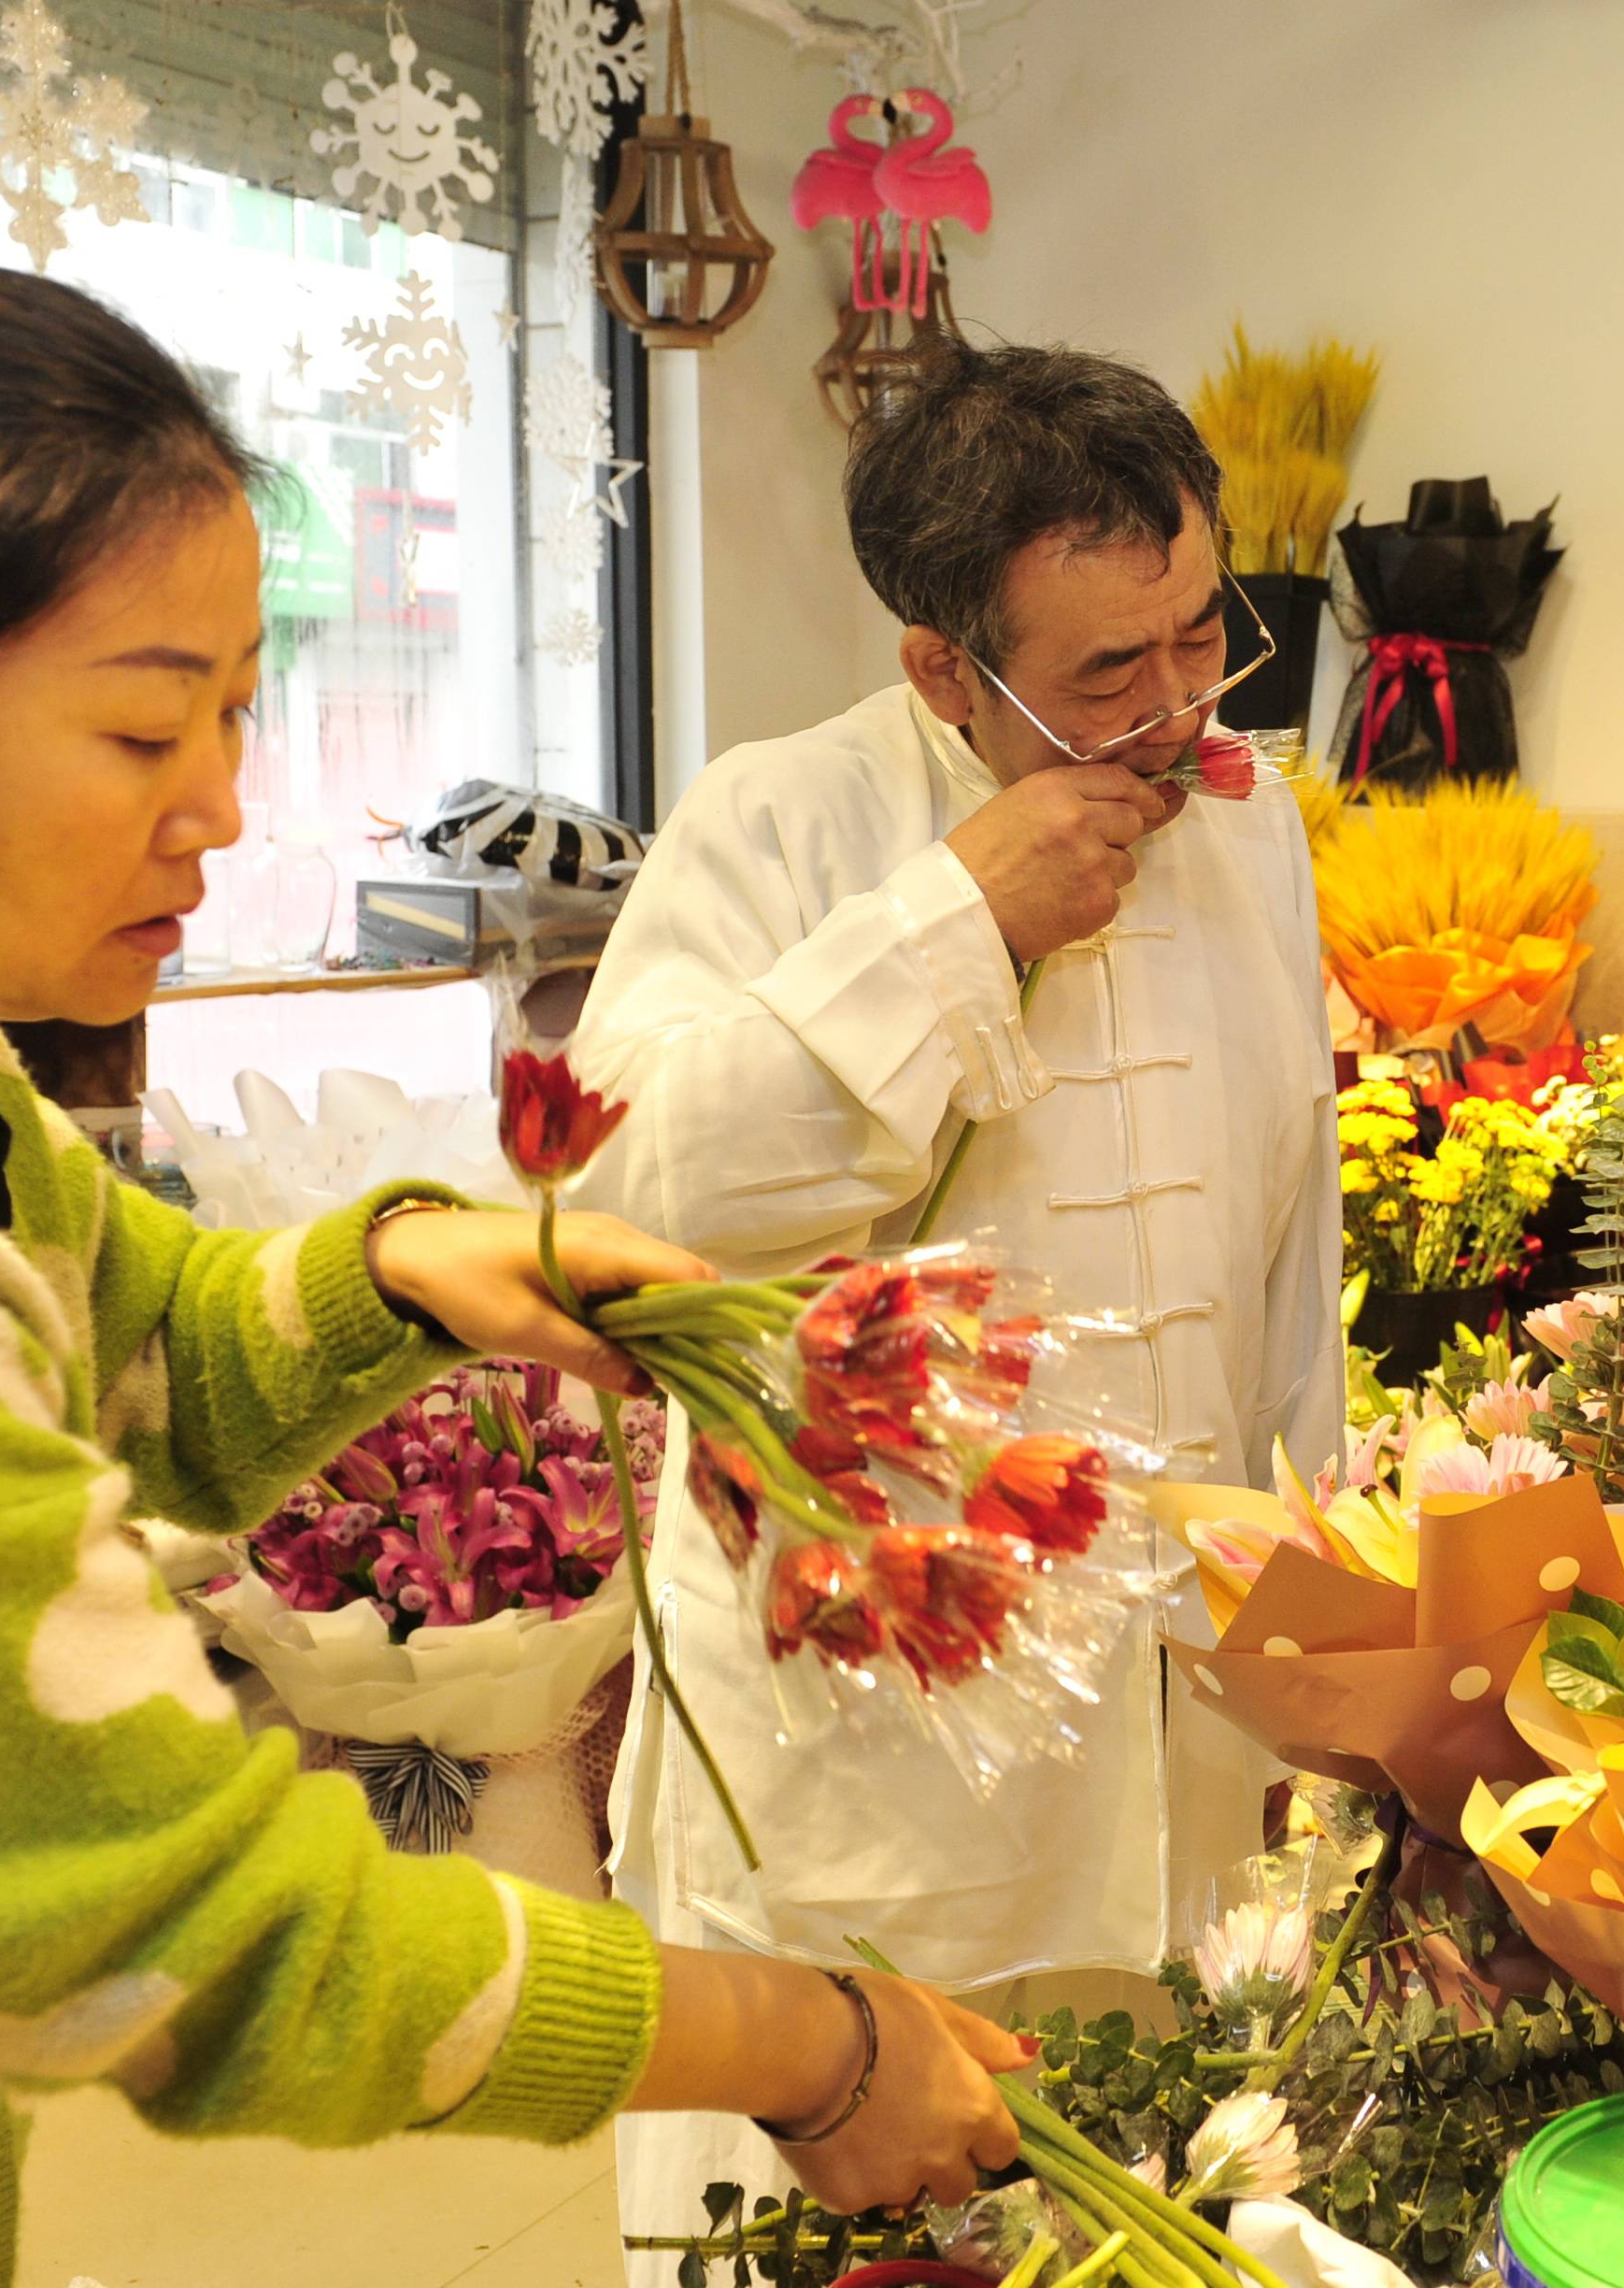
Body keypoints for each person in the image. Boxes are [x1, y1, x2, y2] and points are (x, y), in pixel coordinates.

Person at [0, 265, 1021, 2288]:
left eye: (238, 710)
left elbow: (137, 1349)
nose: (220, 808)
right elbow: (198, 1928)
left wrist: (422, 1275)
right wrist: (803, 2040)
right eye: (139, 727)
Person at [571, 342, 1340, 2267]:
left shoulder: (1244, 817)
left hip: (1187, 1676)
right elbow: (619, 1194)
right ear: (938, 667)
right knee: (872, 2202)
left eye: (1200, 635)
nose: (1178, 710)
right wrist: (954, 914)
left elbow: (1289, 1223)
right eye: (1106, 675)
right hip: (886, 1712)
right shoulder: (778, 823)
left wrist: (1324, 1598)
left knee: (1163, 2173)